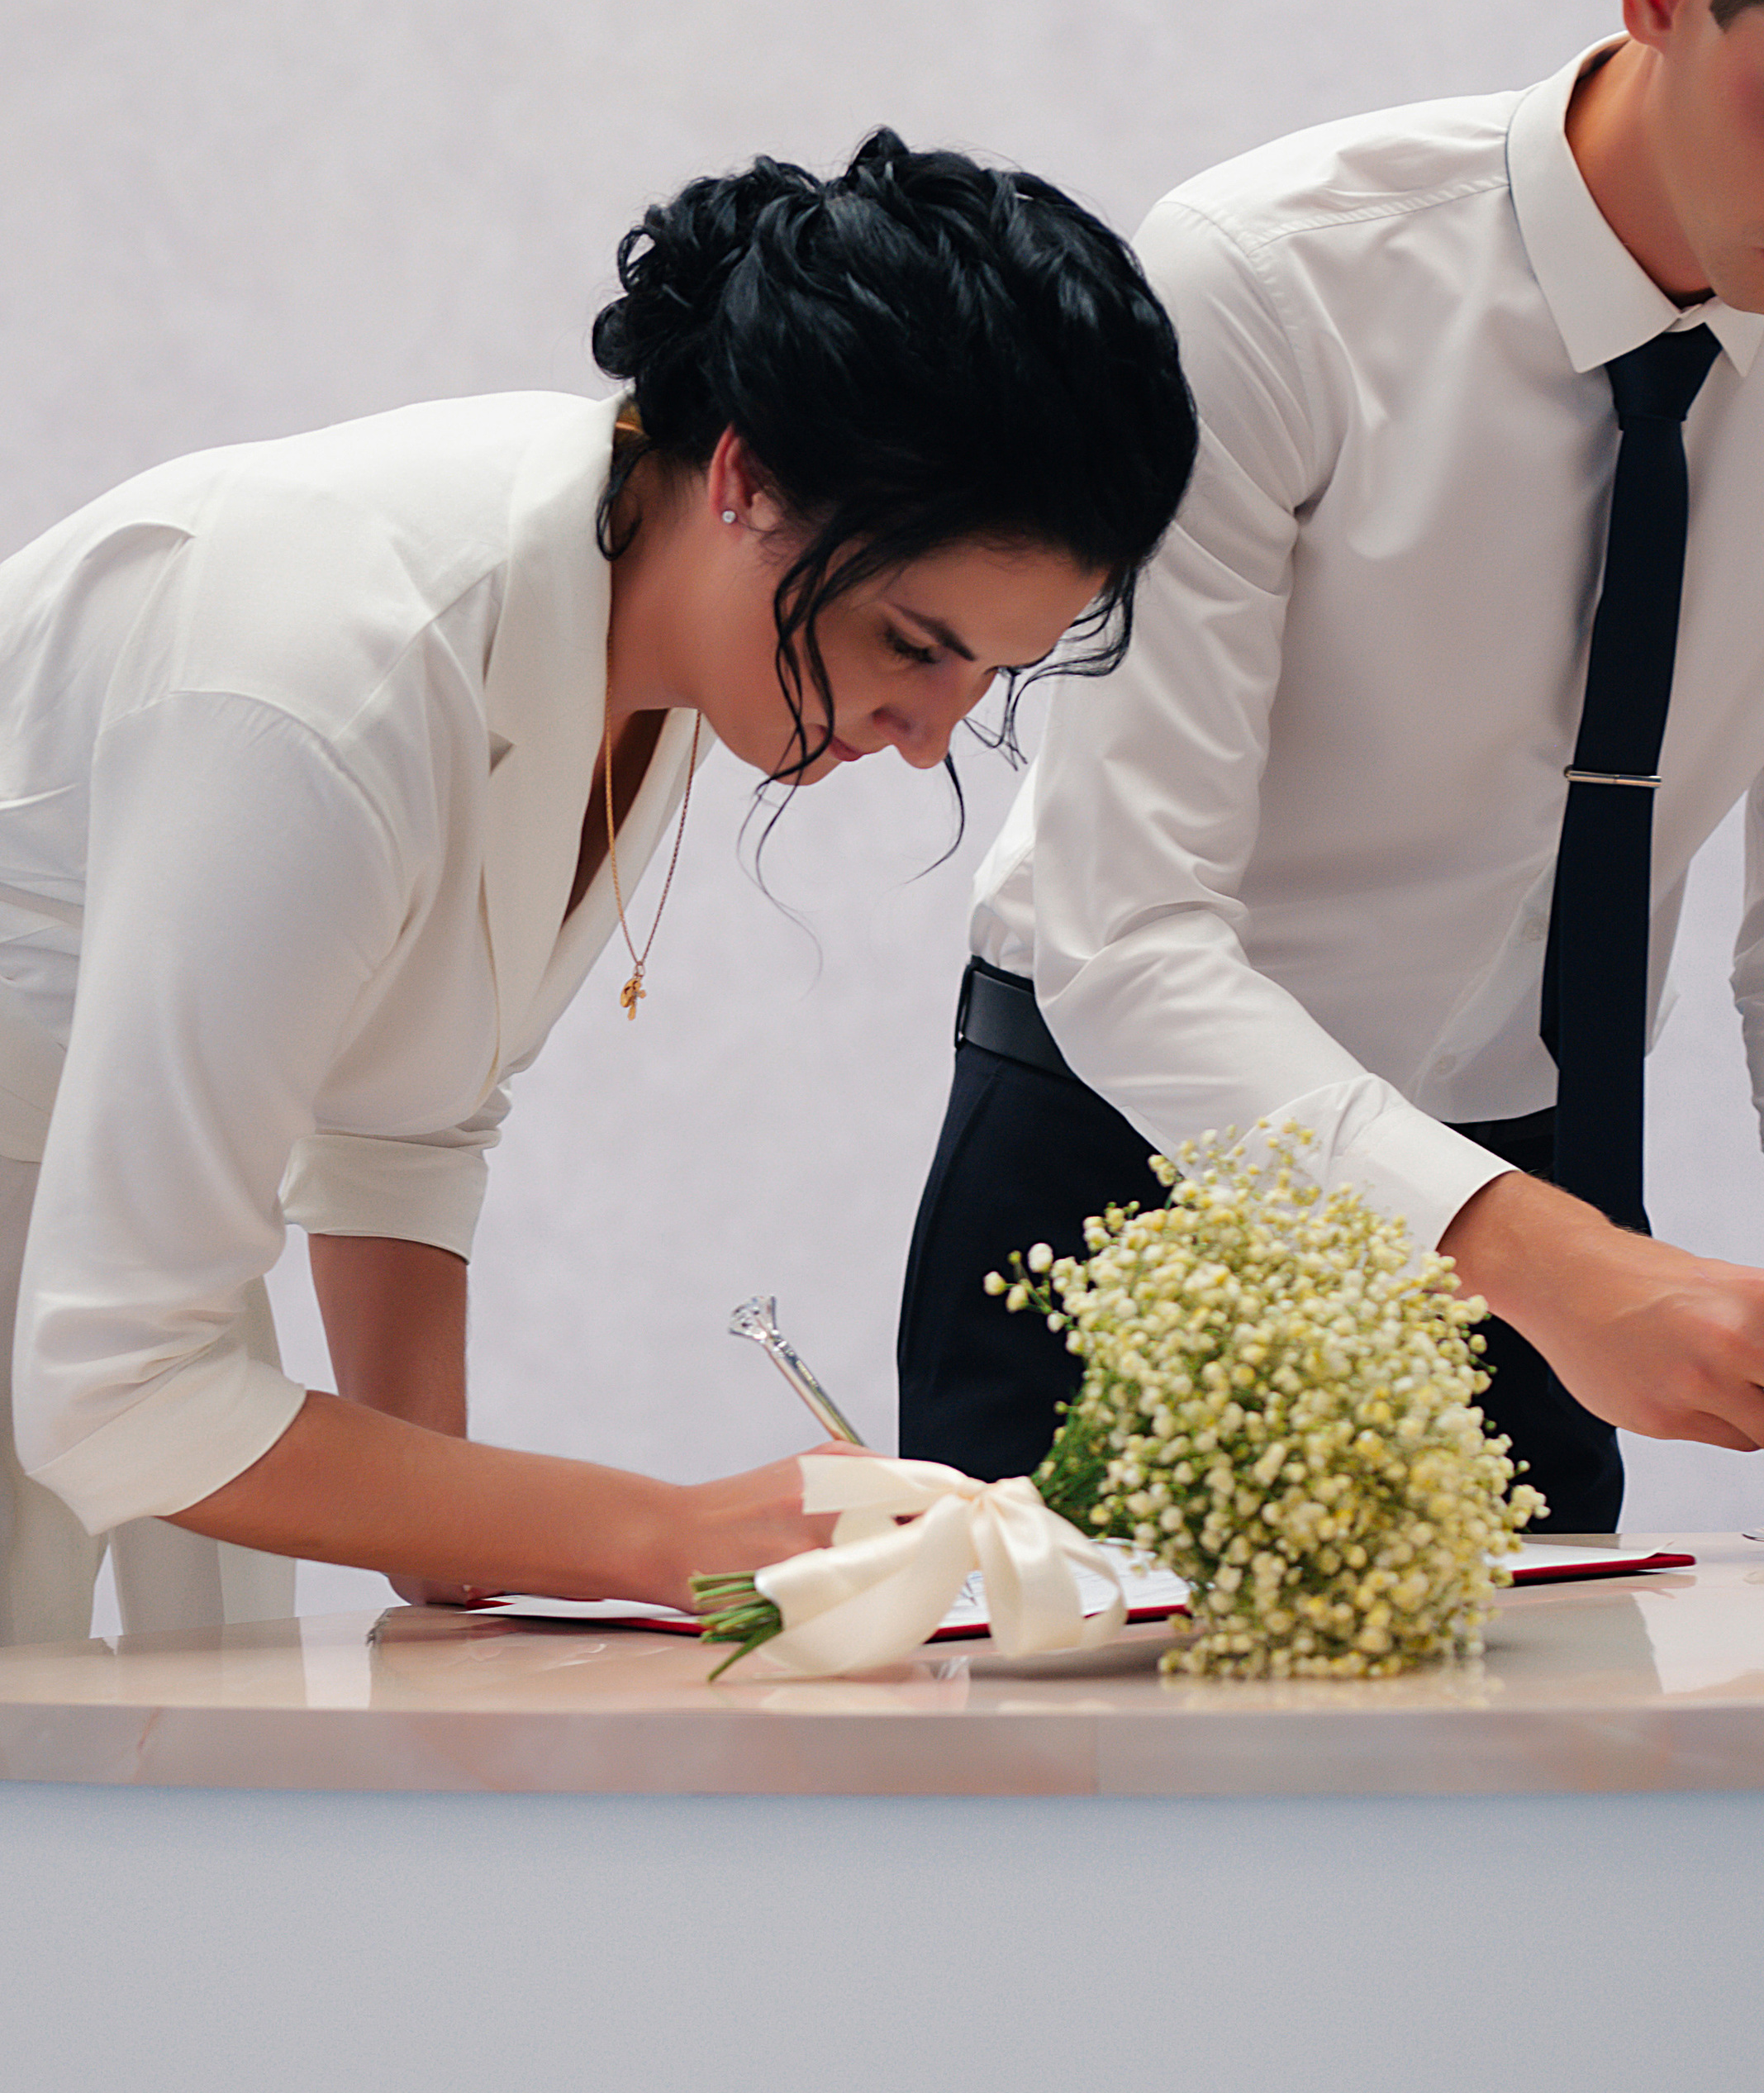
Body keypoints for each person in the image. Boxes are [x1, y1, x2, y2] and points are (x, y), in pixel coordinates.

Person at [897, 0, 1764, 1529]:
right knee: (1090, 1819)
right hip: (1127, 1162)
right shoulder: (1271, 279)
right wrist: (1536, 1261)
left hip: (1542, 1203)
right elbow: (1128, 939)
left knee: (1538, 1815)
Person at [0, 130, 1198, 1642]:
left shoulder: (654, 628)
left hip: (100, 1280)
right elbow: (115, 1386)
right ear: (748, 480)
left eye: (990, 676)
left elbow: (401, 1116)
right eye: (913, 642)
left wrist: (453, 1535)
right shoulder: (332, 674)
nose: (929, 738)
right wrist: (665, 1534)